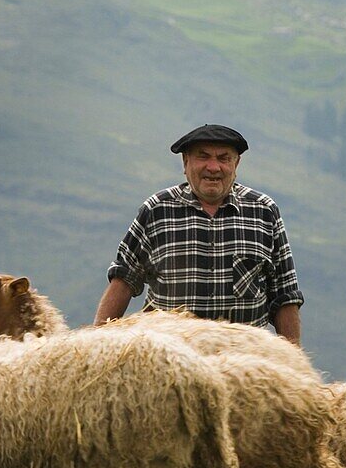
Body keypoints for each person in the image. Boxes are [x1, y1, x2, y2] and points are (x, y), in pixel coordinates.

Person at [93, 124, 303, 342]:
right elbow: (124, 280)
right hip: (170, 360)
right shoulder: (157, 211)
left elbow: (284, 295)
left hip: (244, 362)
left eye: (223, 158)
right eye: (203, 157)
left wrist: (294, 363)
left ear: (236, 164)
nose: (213, 167)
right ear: (186, 162)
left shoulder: (263, 212)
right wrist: (95, 347)